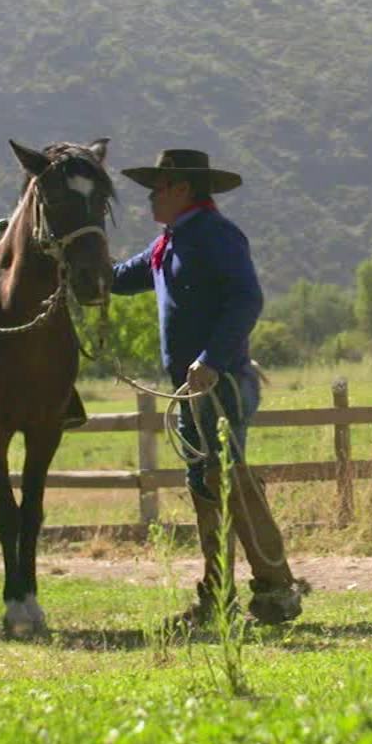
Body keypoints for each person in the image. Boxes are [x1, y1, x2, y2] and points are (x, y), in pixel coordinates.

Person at [111, 149, 303, 626]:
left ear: (180, 188)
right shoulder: (167, 246)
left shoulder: (215, 236)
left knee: (229, 481)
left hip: (219, 382)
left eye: (157, 188)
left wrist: (211, 359)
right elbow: (114, 280)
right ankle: (219, 594)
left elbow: (246, 300)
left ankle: (276, 590)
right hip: (194, 389)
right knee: (208, 485)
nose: (151, 197)